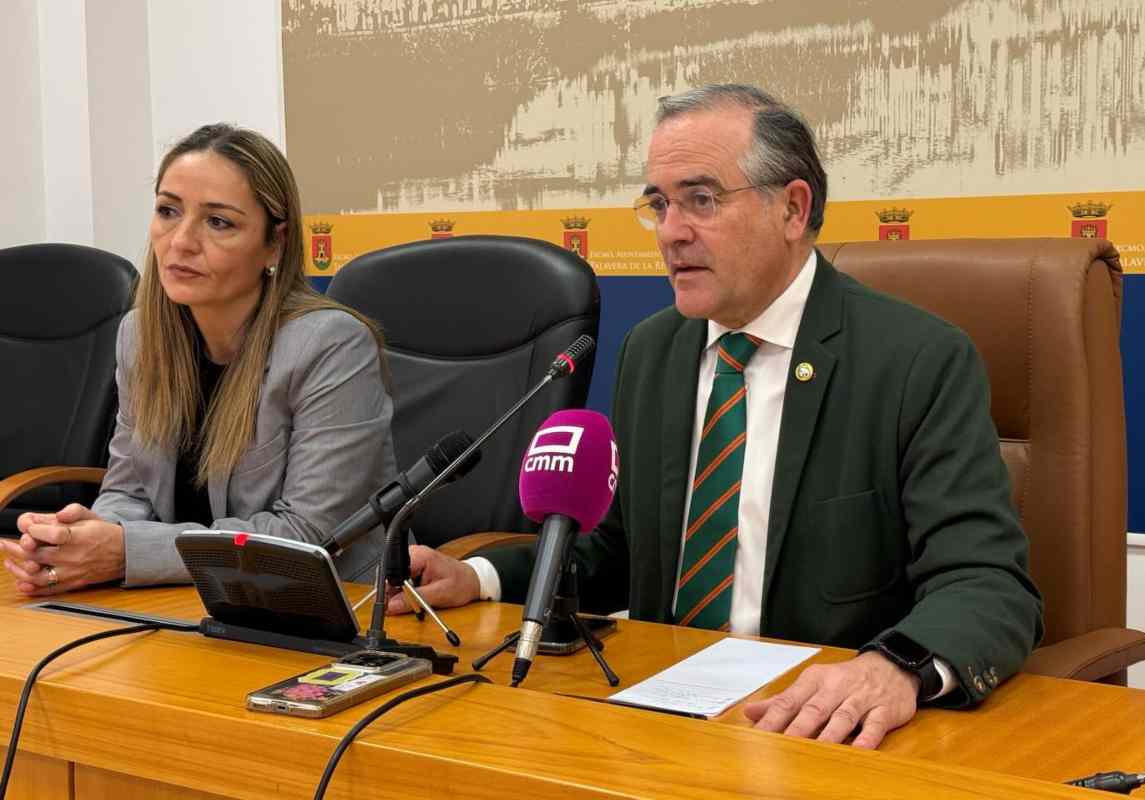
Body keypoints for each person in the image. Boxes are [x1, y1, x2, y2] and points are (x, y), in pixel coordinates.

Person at [387, 84, 1044, 748]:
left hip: (822, 734)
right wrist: (477, 575)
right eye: (659, 204)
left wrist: (893, 670)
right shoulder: (654, 351)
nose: (671, 231)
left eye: (701, 200)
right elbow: (614, 552)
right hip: (661, 717)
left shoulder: (915, 361)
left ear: (792, 209)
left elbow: (985, 581)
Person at [2, 124, 396, 592]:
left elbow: (308, 537)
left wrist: (124, 551)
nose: (181, 241)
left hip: (314, 607)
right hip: (180, 600)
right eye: (168, 211)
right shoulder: (141, 335)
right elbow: (128, 492)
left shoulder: (330, 344)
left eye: (219, 222)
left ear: (275, 243)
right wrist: (80, 542)